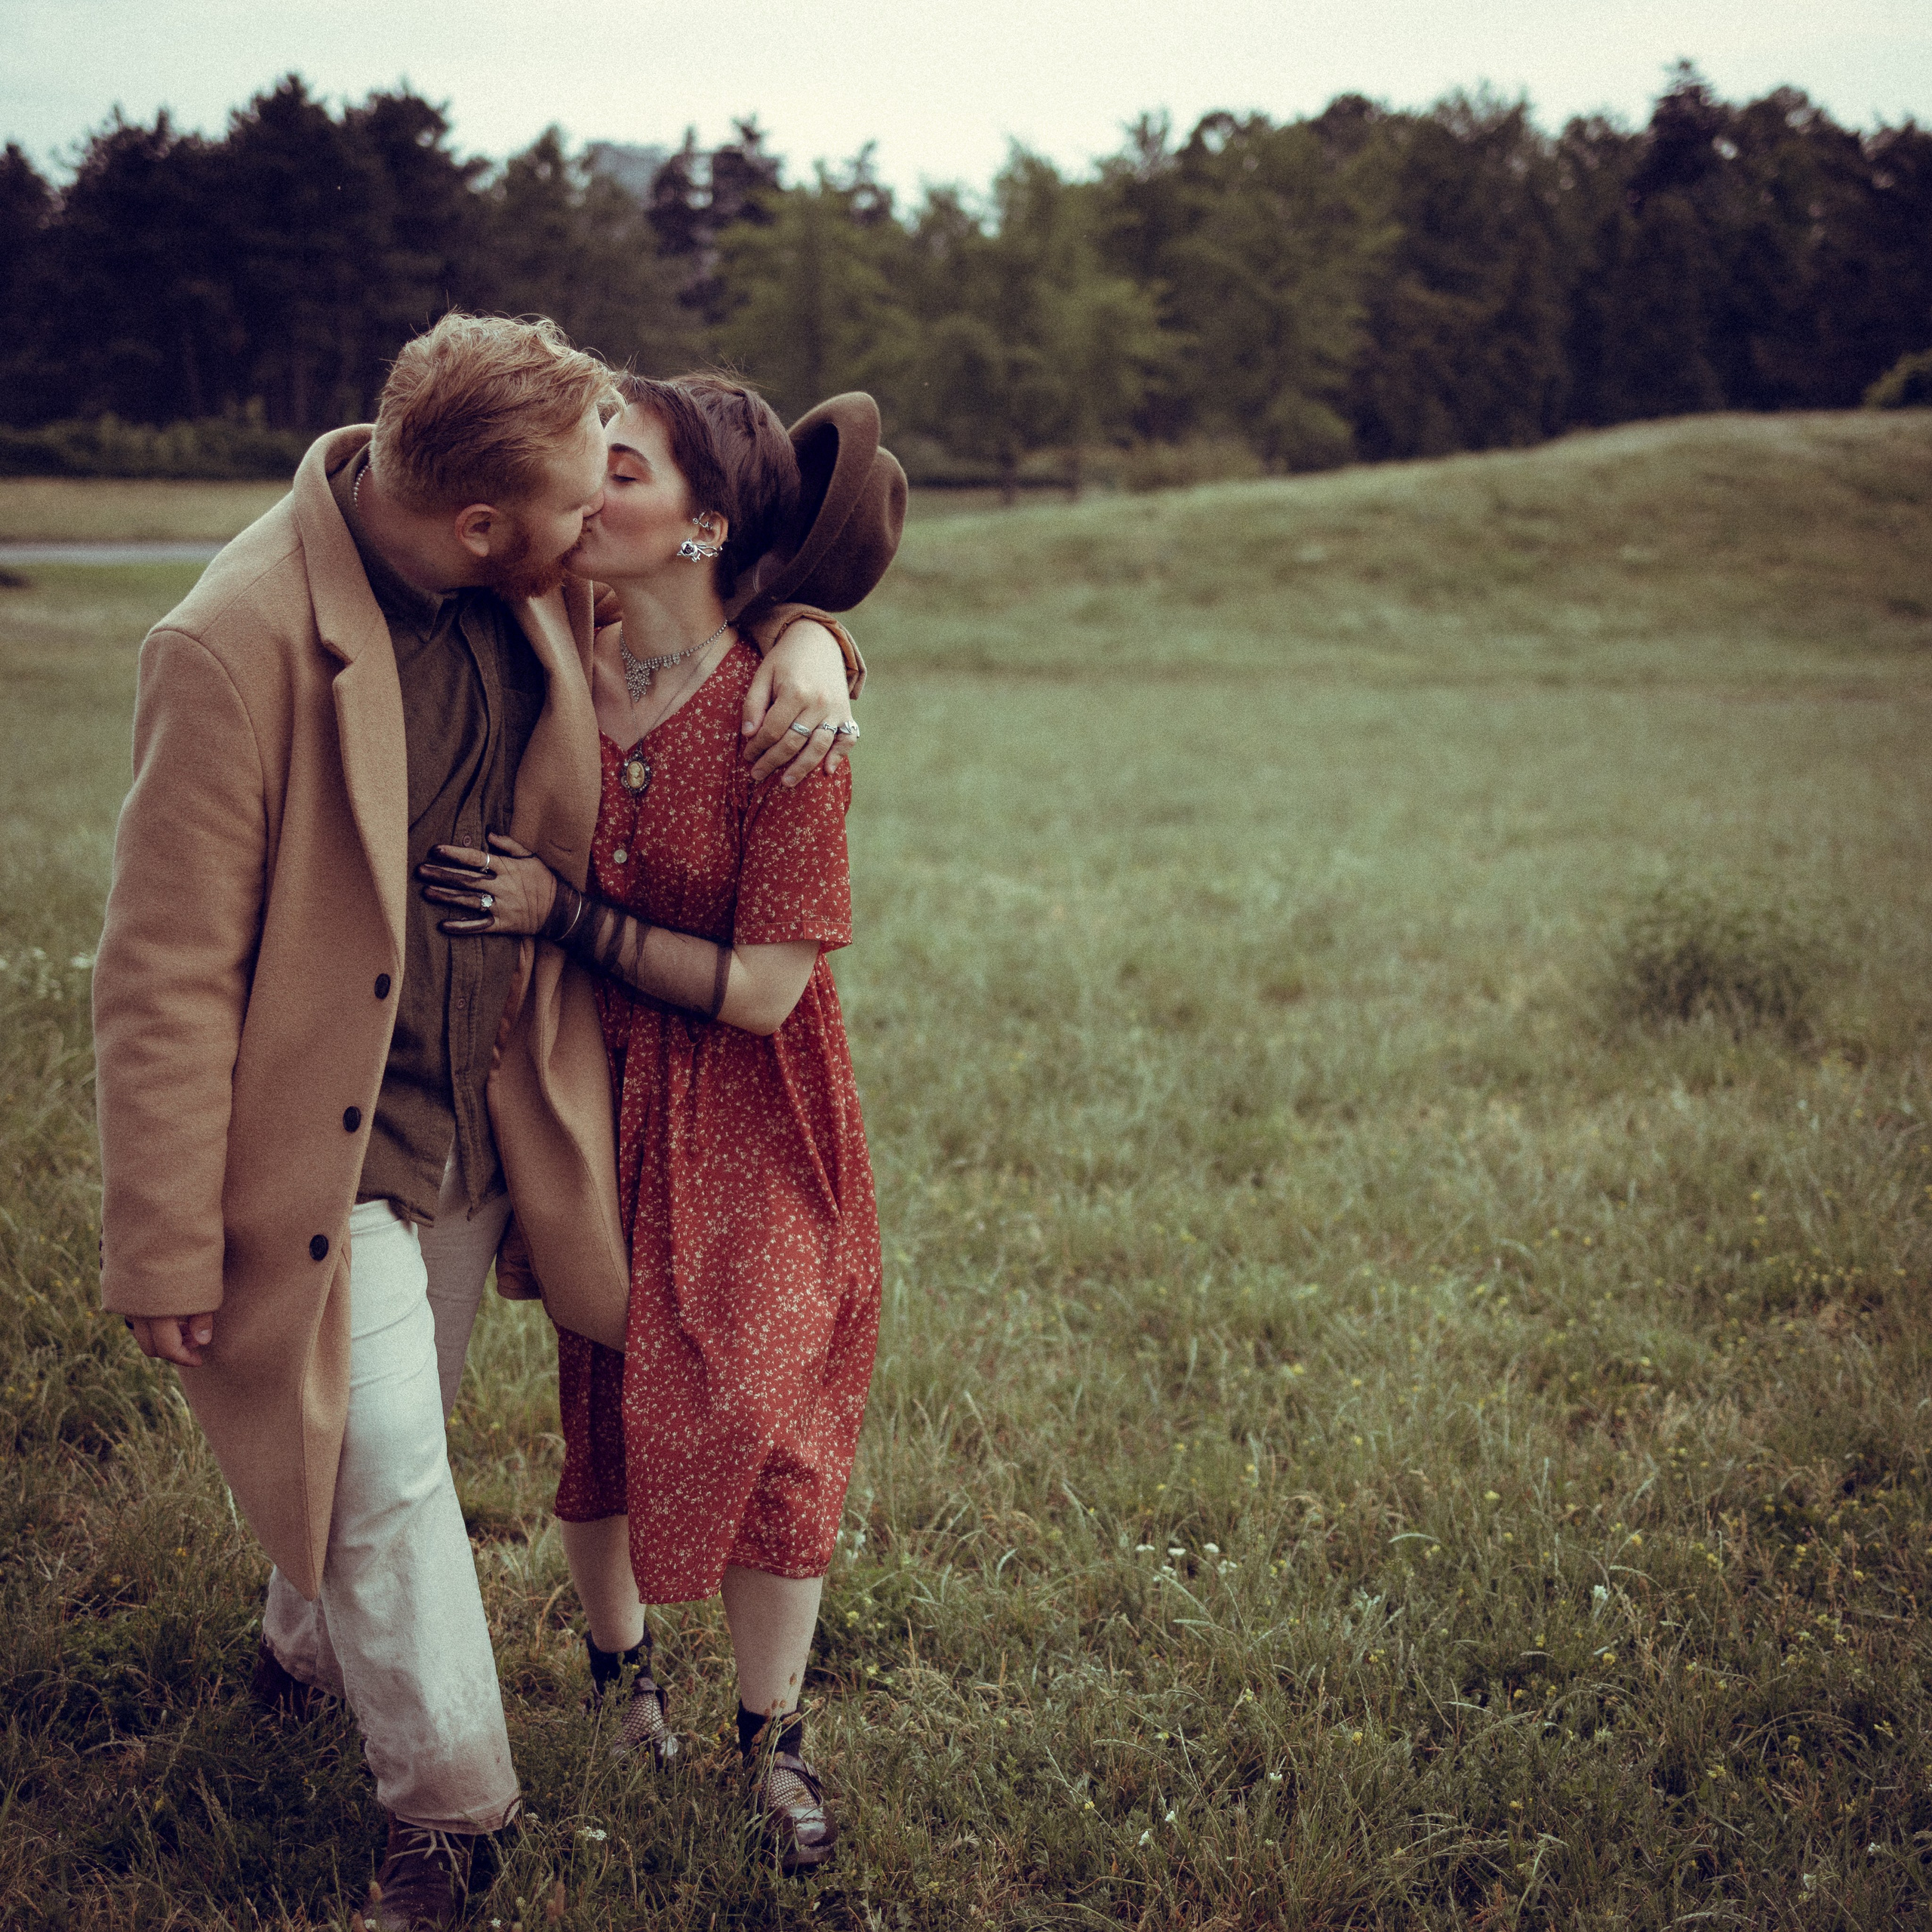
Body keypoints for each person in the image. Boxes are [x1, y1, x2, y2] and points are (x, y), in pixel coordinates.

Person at [92, 313, 863, 1932]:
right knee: (386, 1457)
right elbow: (158, 973)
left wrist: (810, 642)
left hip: (480, 1112)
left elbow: (702, 595)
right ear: (487, 531)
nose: (599, 530)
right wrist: (159, 1229)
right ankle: (453, 1816)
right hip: (323, 1135)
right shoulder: (228, 644)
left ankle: (300, 1643)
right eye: (581, 511)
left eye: (608, 495)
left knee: (392, 1407)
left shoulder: (527, 557)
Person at [417, 374, 901, 1875]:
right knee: (606, 1388)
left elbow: (763, 989)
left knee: (767, 1401)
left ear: (701, 523)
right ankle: (623, 1672)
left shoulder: (776, 715)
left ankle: (773, 1733)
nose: (582, 483)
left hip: (751, 1098)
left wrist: (814, 649)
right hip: (581, 1082)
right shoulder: (554, 637)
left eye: (613, 465)